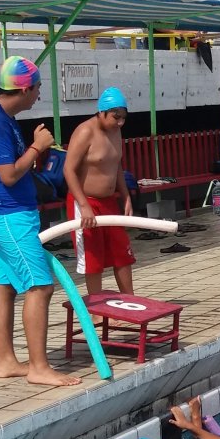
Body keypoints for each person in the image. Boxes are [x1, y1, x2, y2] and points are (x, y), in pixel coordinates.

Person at [0, 57, 79, 387]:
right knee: (39, 286)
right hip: (9, 216)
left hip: (4, 214)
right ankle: (39, 368)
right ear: (25, 88)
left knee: (5, 285)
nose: (39, 95)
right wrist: (37, 146)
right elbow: (10, 174)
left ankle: (6, 362)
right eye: (38, 88)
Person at [62, 87, 135, 298]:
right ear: (101, 112)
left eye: (123, 117)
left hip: (110, 202)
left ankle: (131, 301)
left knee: (122, 253)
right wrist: (84, 206)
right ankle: (96, 309)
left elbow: (116, 165)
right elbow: (68, 169)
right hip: (85, 202)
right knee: (93, 259)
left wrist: (126, 195)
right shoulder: (85, 131)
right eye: (115, 117)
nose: (120, 122)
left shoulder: (116, 130)